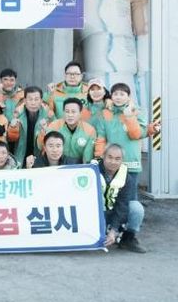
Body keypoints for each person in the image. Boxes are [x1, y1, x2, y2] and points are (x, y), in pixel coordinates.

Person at [94, 83, 160, 229]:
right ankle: (111, 227)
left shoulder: (137, 111)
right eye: (115, 94)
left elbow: (137, 134)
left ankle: (129, 230)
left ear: (128, 96)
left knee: (130, 200)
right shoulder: (105, 113)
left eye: (122, 94)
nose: (118, 97)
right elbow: (101, 137)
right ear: (111, 96)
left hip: (130, 162)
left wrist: (129, 116)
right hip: (110, 163)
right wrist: (99, 157)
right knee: (109, 196)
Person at [95, 144, 147, 253]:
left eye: (117, 159)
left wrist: (113, 230)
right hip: (95, 213)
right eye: (110, 157)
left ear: (122, 160)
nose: (113, 162)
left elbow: (122, 205)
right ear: (103, 156)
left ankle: (128, 239)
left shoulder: (126, 177)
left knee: (136, 208)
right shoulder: (92, 171)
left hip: (114, 211)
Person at [6, 86, 54, 167]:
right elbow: (11, 139)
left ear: (41, 101)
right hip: (20, 157)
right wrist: (12, 126)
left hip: (41, 160)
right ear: (25, 100)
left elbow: (52, 139)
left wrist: (45, 130)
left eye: (36, 99)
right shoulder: (17, 115)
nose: (33, 103)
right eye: (30, 99)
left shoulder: (48, 117)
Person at [39, 98, 97, 164]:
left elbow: (87, 157)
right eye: (67, 111)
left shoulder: (90, 130)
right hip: (57, 163)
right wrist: (42, 133)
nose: (70, 115)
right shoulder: (54, 126)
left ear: (80, 113)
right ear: (63, 112)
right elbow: (43, 147)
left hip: (78, 165)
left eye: (73, 112)